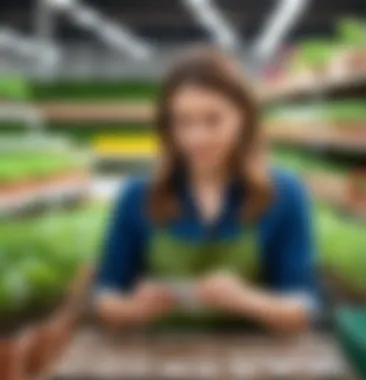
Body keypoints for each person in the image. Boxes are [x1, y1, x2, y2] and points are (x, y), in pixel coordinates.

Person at [94, 47, 318, 334]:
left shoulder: (285, 195)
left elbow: (302, 311)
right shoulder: (137, 196)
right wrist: (133, 309)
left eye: (213, 120)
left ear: (244, 119)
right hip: (159, 358)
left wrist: (247, 300)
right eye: (182, 122)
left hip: (254, 362)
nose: (196, 137)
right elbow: (105, 298)